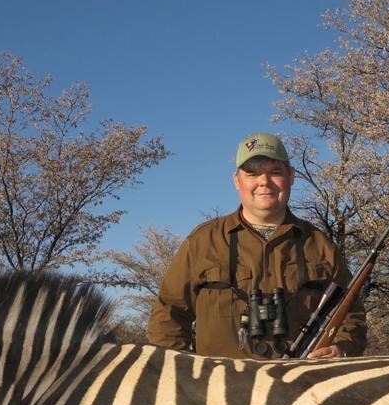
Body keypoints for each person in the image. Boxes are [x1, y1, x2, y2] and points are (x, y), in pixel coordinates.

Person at [148, 132, 366, 360]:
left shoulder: (320, 244)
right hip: (219, 390)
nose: (264, 182)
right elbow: (168, 316)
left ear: (291, 177)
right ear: (236, 181)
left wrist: (342, 347)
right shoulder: (202, 242)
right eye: (252, 173)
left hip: (302, 386)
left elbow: (351, 315)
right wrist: (185, 375)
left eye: (275, 172)